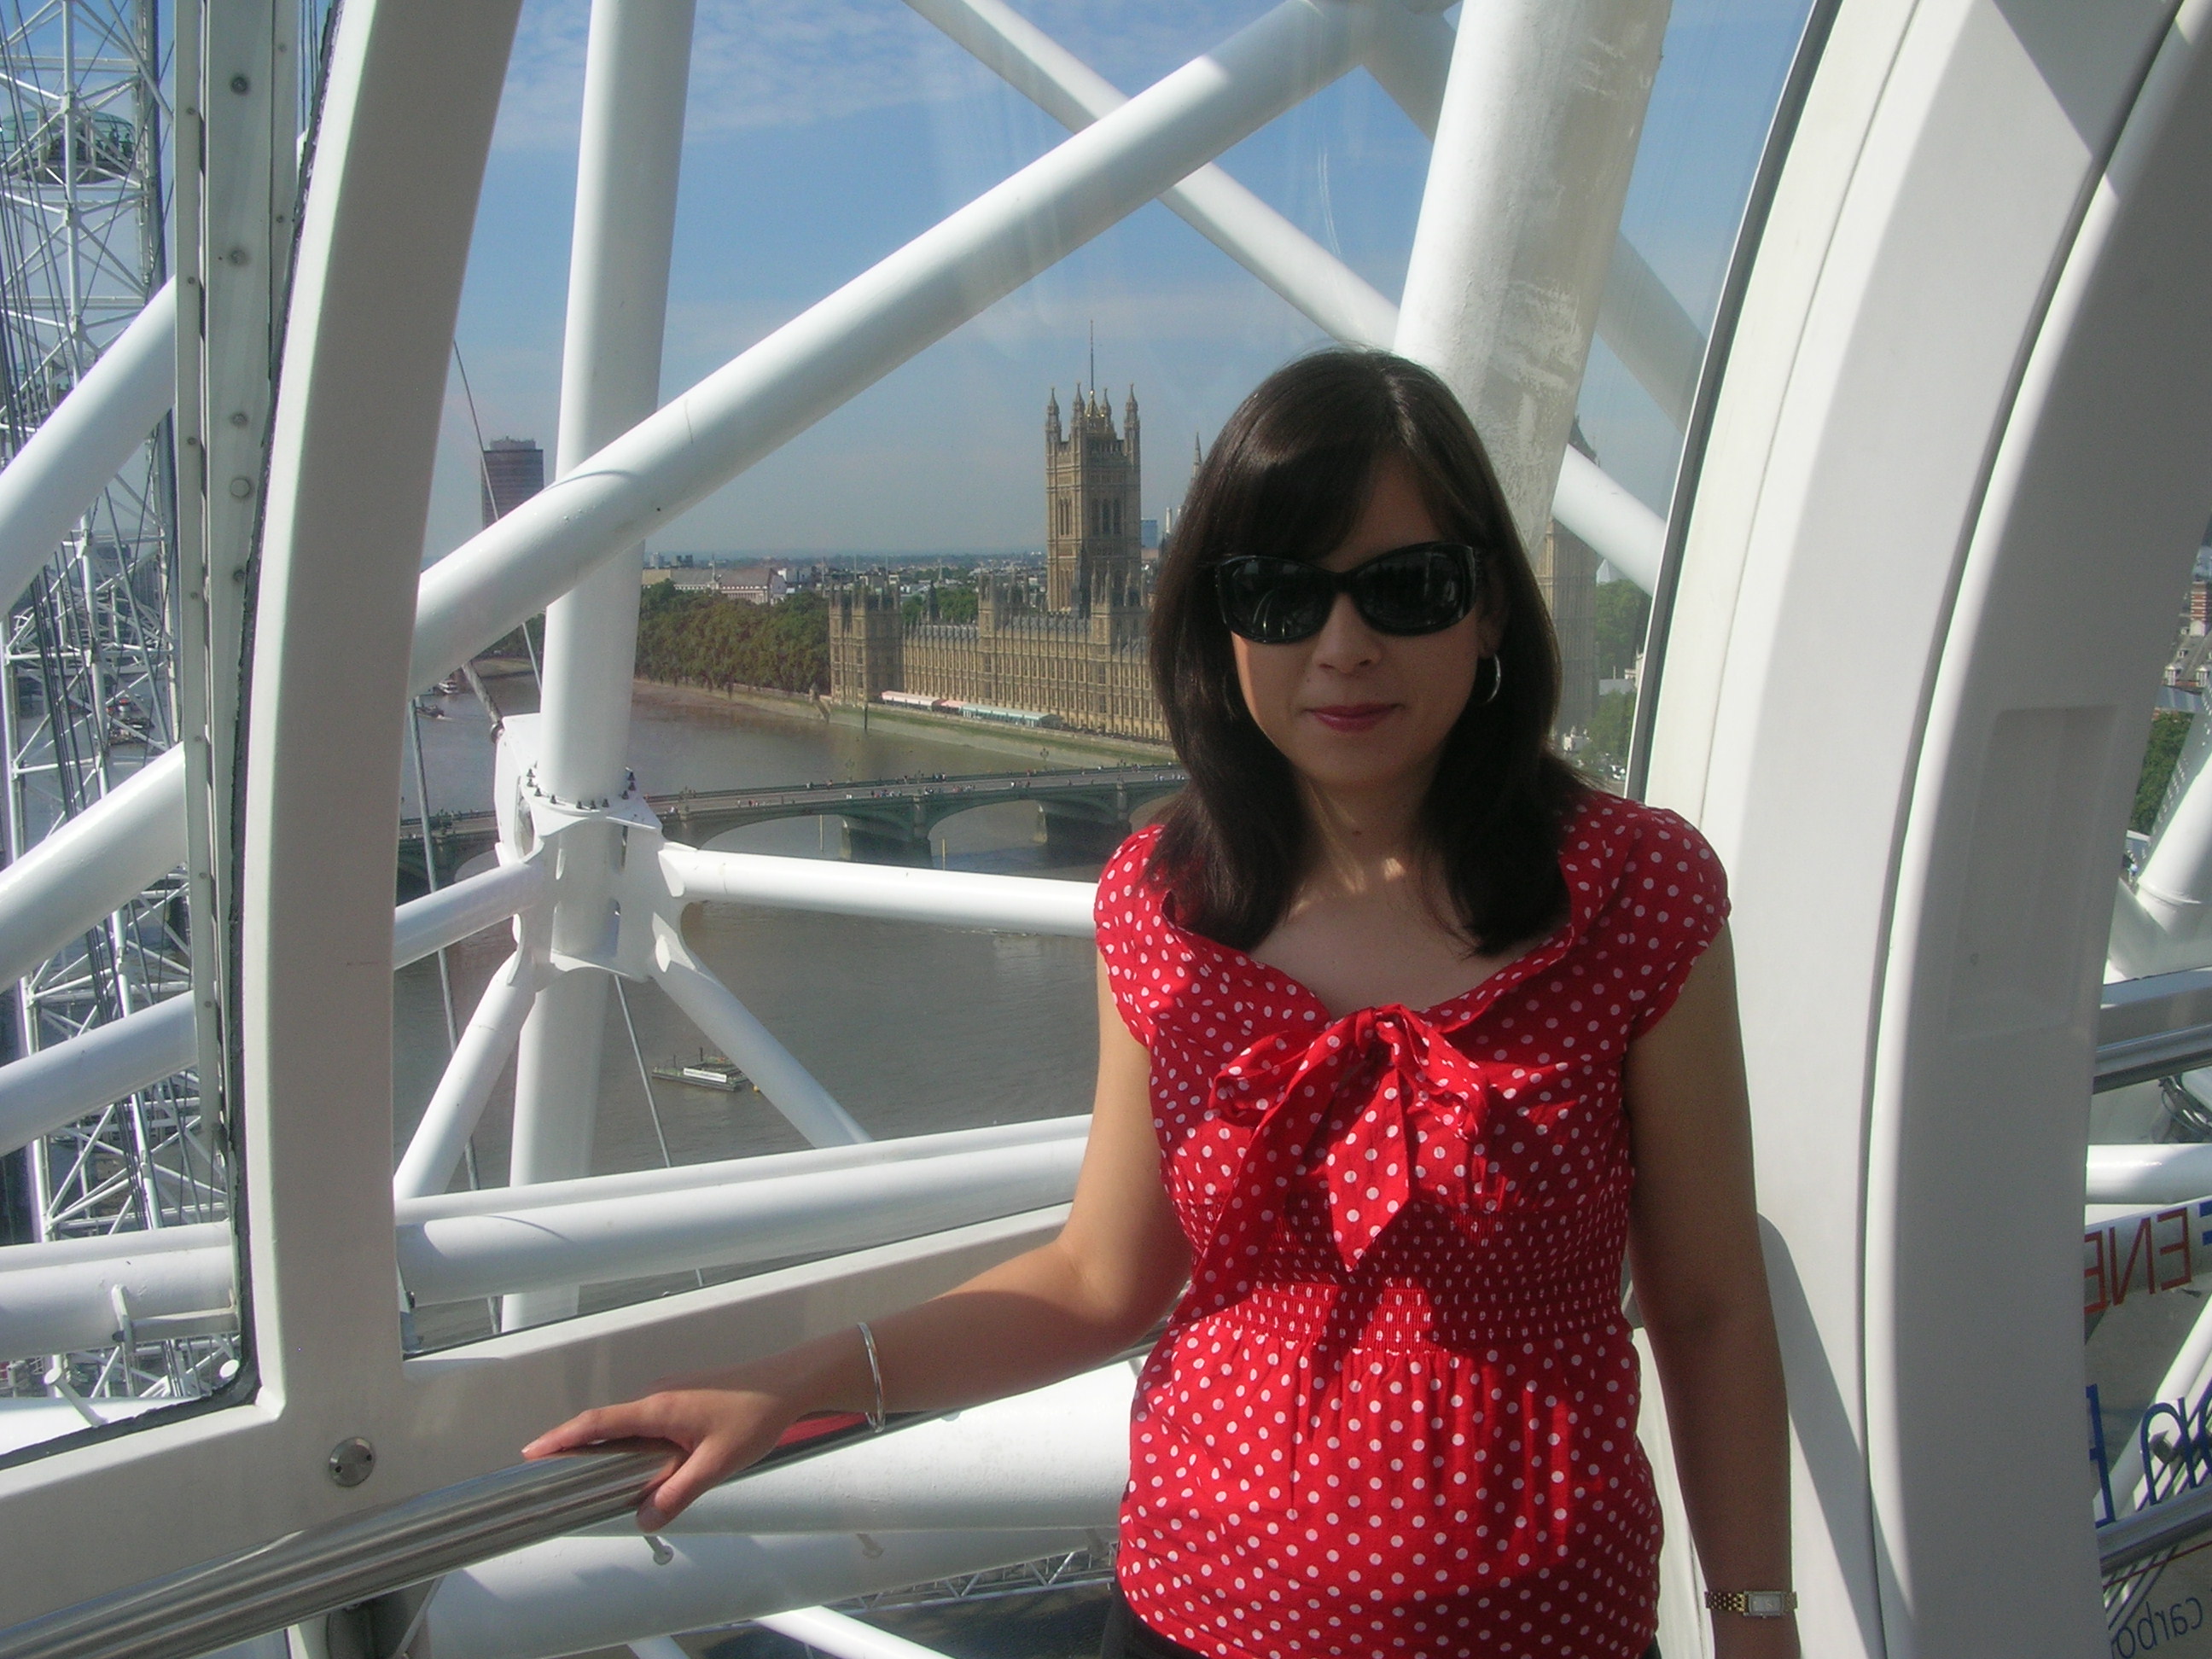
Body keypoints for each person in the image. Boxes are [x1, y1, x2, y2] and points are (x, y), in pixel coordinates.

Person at [526, 350, 1796, 1659]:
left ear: (1489, 614)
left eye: (1407, 590)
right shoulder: (1164, 908)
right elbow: (1097, 1278)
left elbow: (1708, 1304)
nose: (1344, 646)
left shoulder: (1636, 892)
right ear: (1219, 624)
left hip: (1554, 1628)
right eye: (1282, 595)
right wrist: (796, 1382)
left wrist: (1758, 1618)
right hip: (1198, 1617)